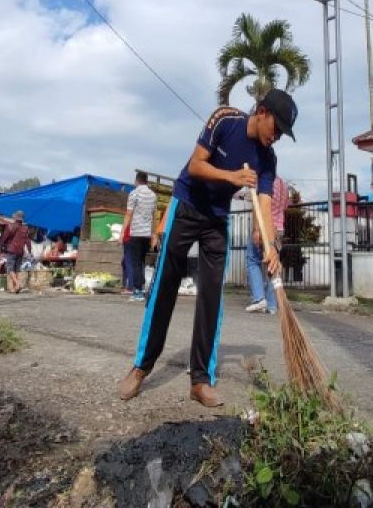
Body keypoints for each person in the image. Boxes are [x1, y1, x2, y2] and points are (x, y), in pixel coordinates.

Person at [117, 89, 297, 408]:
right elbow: (196, 165)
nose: (278, 136)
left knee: (212, 296)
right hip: (186, 205)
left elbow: (265, 204)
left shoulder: (268, 158)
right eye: (277, 127)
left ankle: (201, 380)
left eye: (283, 132)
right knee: (164, 287)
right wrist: (232, 176)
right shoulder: (224, 119)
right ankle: (141, 367)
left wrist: (271, 246)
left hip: (217, 219)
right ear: (262, 111)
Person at [246, 174, 288, 315]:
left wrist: (256, 229)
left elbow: (258, 204)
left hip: (265, 227)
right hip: (279, 228)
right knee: (272, 264)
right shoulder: (283, 184)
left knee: (253, 260)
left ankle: (259, 299)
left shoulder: (264, 181)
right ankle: (272, 305)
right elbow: (285, 206)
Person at [122, 172, 157, 302]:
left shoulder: (134, 193)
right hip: (147, 234)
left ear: (137, 180)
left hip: (136, 233)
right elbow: (154, 216)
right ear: (146, 181)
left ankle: (137, 291)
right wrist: (154, 234)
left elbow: (129, 214)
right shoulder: (153, 195)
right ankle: (140, 288)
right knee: (141, 261)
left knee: (135, 262)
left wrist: (122, 233)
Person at [0, 210, 29, 293]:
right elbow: (27, 241)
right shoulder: (25, 228)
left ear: (15, 217)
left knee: (10, 269)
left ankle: (17, 284)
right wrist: (29, 251)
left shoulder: (10, 226)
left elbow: (4, 238)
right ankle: (14, 289)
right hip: (20, 251)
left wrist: (0, 248)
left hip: (11, 250)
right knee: (17, 269)